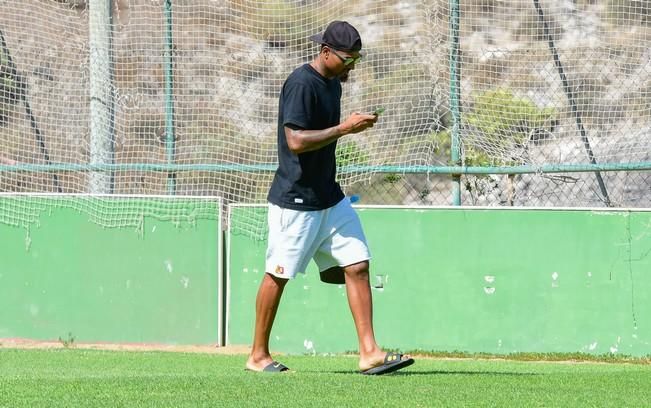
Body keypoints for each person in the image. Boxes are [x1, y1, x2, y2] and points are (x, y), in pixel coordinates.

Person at [246, 20, 414, 375]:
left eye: (356, 59)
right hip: (296, 200)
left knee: (358, 265)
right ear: (325, 53)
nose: (351, 65)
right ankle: (258, 355)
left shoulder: (334, 83)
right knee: (278, 276)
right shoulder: (301, 84)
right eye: (346, 59)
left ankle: (369, 352)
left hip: (330, 197)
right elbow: (295, 140)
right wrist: (345, 129)